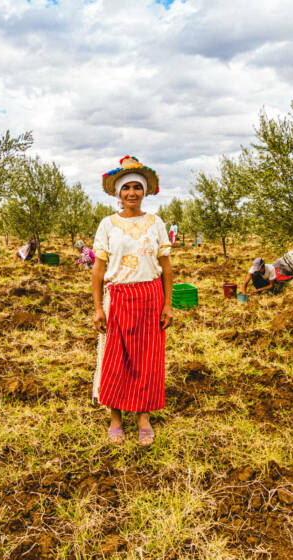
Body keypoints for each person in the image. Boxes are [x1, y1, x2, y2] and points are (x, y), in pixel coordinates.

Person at [93, 155, 173, 447]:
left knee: (148, 360)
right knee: (116, 359)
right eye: (126, 188)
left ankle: (143, 418)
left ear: (144, 191)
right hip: (119, 297)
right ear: (118, 193)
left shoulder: (155, 223)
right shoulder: (108, 225)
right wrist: (98, 307)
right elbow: (99, 270)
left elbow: (165, 265)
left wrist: (168, 303)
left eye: (136, 188)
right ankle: (116, 418)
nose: (131, 193)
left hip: (151, 297)